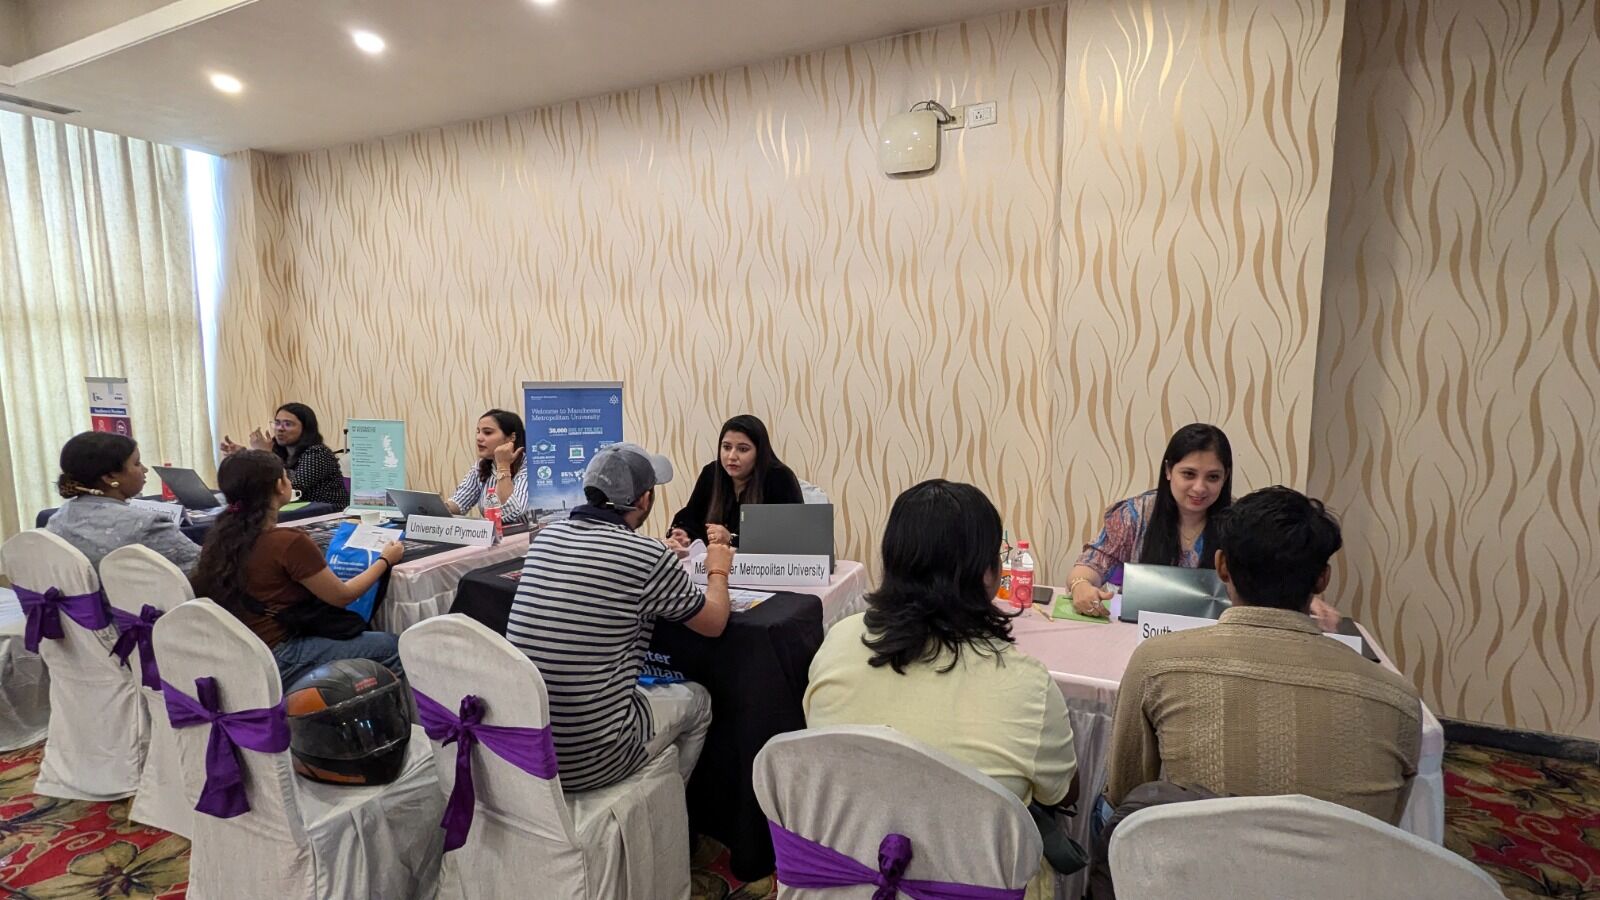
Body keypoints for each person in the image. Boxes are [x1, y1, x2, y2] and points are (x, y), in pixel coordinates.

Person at [804, 480, 1077, 900]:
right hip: (970, 886)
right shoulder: (1028, 684)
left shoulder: (838, 641)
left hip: (845, 878)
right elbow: (1060, 791)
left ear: (891, 561)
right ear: (988, 574)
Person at [1103, 486, 1423, 825]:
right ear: (1322, 579)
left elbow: (1125, 795)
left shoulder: (1155, 664)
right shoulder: (1399, 700)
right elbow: (1389, 826)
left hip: (1194, 856)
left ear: (1221, 566)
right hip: (1343, 860)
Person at [505, 442, 733, 793]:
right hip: (588, 761)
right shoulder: (647, 555)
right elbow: (714, 623)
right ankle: (670, 810)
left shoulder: (545, 537)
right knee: (699, 700)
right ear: (644, 500)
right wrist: (718, 570)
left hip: (524, 751)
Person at [1067, 423, 1340, 628]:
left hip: (1219, 641)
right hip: (1139, 634)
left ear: (1225, 477)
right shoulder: (1134, 514)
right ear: (1168, 471)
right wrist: (1081, 585)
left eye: (1212, 477)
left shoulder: (1243, 522)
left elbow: (1270, 579)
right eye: (1189, 474)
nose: (1199, 488)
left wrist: (1304, 599)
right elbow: (1091, 565)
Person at [189, 450, 403, 687]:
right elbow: (343, 596)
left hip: (239, 650)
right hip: (280, 654)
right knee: (394, 647)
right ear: (279, 486)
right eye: (286, 476)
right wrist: (385, 560)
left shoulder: (218, 538)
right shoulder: (288, 542)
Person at [45, 431, 201, 572]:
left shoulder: (58, 517)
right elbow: (206, 569)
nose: (145, 469)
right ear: (110, 477)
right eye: (137, 463)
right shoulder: (145, 524)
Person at [667, 414, 802, 548]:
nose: (731, 456)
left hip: (763, 562)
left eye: (742, 449)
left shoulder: (780, 478)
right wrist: (683, 533)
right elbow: (692, 515)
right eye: (726, 447)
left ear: (759, 452)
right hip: (713, 559)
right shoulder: (711, 473)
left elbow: (790, 535)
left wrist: (732, 539)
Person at [220, 402, 348, 507]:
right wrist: (244, 455)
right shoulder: (278, 451)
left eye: (288, 424)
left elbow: (289, 488)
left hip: (327, 513)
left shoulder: (318, 452)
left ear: (305, 429)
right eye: (277, 423)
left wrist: (265, 454)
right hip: (296, 511)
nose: (280, 428)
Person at [444, 409, 528, 523]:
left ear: (512, 437)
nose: (478, 438)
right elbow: (459, 502)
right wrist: (436, 508)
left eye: (487, 432)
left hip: (527, 534)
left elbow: (508, 514)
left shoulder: (528, 467)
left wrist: (503, 465)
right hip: (492, 533)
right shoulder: (480, 466)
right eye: (478, 432)